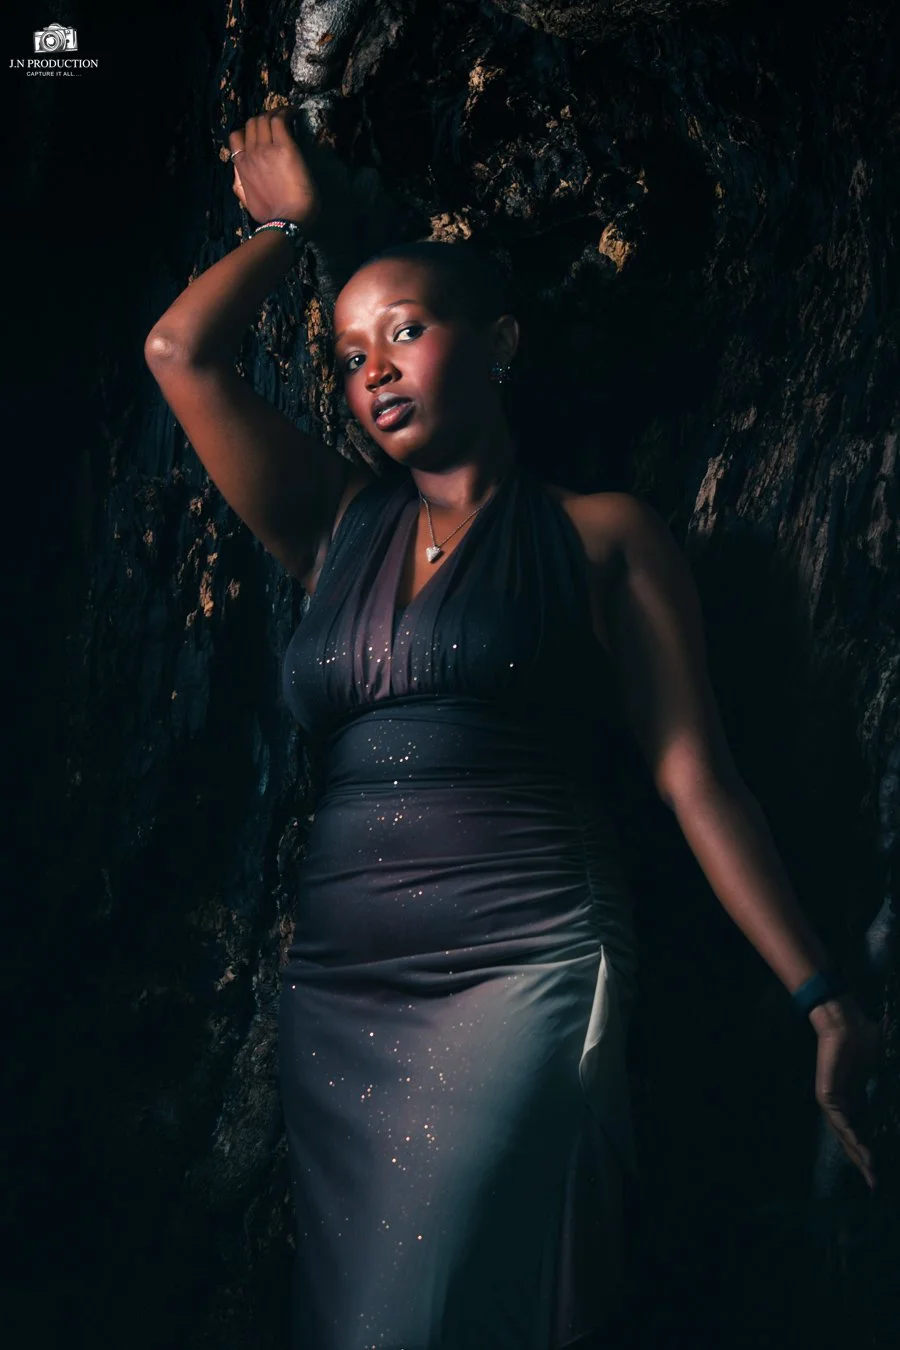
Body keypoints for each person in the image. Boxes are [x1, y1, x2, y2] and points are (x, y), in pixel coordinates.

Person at [144, 108, 882, 1350]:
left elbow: (695, 776)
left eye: (408, 332)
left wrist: (821, 996)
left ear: (500, 346)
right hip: (341, 992)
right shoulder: (335, 529)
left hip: (522, 962)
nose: (372, 369)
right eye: (347, 353)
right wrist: (291, 228)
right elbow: (181, 351)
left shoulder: (603, 537)